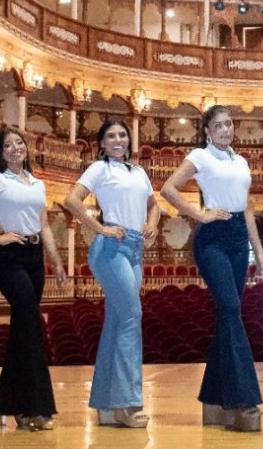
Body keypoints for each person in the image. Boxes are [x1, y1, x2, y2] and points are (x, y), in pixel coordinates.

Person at [161, 105, 263, 431]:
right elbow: (168, 188)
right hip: (213, 239)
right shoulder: (200, 156)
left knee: (227, 316)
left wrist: (259, 252)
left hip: (238, 239)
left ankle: (213, 402)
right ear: (207, 130)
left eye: (229, 124)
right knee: (232, 309)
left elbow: (247, 208)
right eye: (218, 125)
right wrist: (200, 214)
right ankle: (244, 402)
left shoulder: (241, 161)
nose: (225, 130)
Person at [0, 126, 65, 431]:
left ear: (26, 148)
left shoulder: (37, 183)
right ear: (1, 152)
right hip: (9, 258)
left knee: (24, 330)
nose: (15, 148)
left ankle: (13, 404)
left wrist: (56, 261)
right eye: (8, 145)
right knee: (32, 325)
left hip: (34, 260)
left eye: (19, 143)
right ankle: (38, 407)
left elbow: (43, 225)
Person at [63, 119, 160, 429]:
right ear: (102, 143)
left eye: (122, 135)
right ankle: (127, 403)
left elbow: (153, 205)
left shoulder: (139, 172)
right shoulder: (99, 169)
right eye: (110, 136)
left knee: (117, 321)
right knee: (132, 315)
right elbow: (71, 200)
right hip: (111, 247)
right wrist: (100, 227)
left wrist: (153, 224)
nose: (118, 140)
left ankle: (106, 404)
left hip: (134, 248)